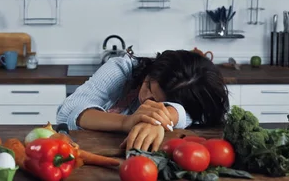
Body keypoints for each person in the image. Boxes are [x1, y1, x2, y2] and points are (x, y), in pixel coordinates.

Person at [56, 50, 230, 152]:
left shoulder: (193, 100)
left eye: (156, 101)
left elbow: (201, 116)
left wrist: (160, 117)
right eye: (148, 85)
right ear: (150, 72)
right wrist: (127, 122)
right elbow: (66, 113)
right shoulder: (121, 68)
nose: (145, 99)